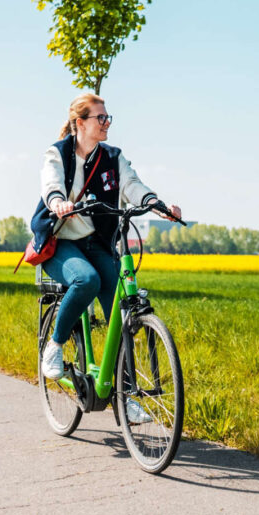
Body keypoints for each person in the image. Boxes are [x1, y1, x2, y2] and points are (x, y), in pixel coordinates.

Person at [33, 92, 182, 380]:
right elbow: (50, 184)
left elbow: (132, 185)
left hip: (97, 243)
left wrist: (158, 206)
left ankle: (126, 394)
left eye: (107, 117)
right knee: (87, 280)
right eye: (100, 118)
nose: (106, 123)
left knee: (121, 312)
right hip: (61, 243)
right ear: (81, 122)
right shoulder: (58, 153)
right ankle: (55, 345)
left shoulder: (113, 157)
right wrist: (58, 203)